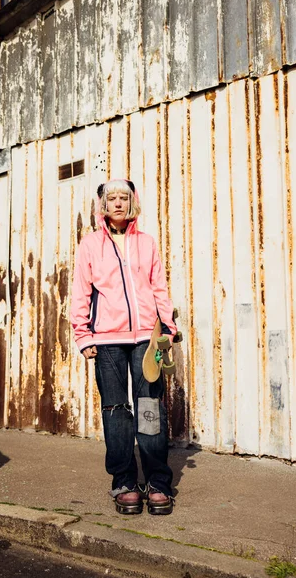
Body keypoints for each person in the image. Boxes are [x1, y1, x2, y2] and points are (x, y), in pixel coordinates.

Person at [70, 179, 177, 515]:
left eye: (124, 198)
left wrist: (169, 328)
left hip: (148, 338)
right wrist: (83, 335)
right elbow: (81, 293)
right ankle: (124, 481)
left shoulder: (147, 243)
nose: (118, 203)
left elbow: (159, 287)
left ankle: (158, 482)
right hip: (107, 341)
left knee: (149, 409)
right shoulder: (90, 245)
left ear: (133, 203)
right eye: (112, 198)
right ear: (103, 205)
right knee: (116, 412)